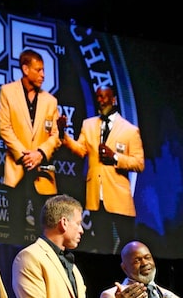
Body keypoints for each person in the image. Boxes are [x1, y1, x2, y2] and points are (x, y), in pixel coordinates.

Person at [57, 85, 144, 254]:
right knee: (102, 244)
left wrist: (115, 158)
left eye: (104, 97)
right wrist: (63, 135)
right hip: (96, 196)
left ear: (114, 100)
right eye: (98, 97)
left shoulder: (130, 130)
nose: (100, 100)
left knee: (127, 245)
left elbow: (139, 163)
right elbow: (81, 150)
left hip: (119, 199)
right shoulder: (88, 125)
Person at [0, 49, 61, 244]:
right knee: (15, 225)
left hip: (41, 173)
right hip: (18, 169)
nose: (43, 74)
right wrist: (26, 155)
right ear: (25, 69)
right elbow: (4, 127)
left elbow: (55, 136)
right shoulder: (8, 92)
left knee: (43, 227)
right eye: (39, 70)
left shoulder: (51, 101)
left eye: (43, 70)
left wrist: (40, 154)